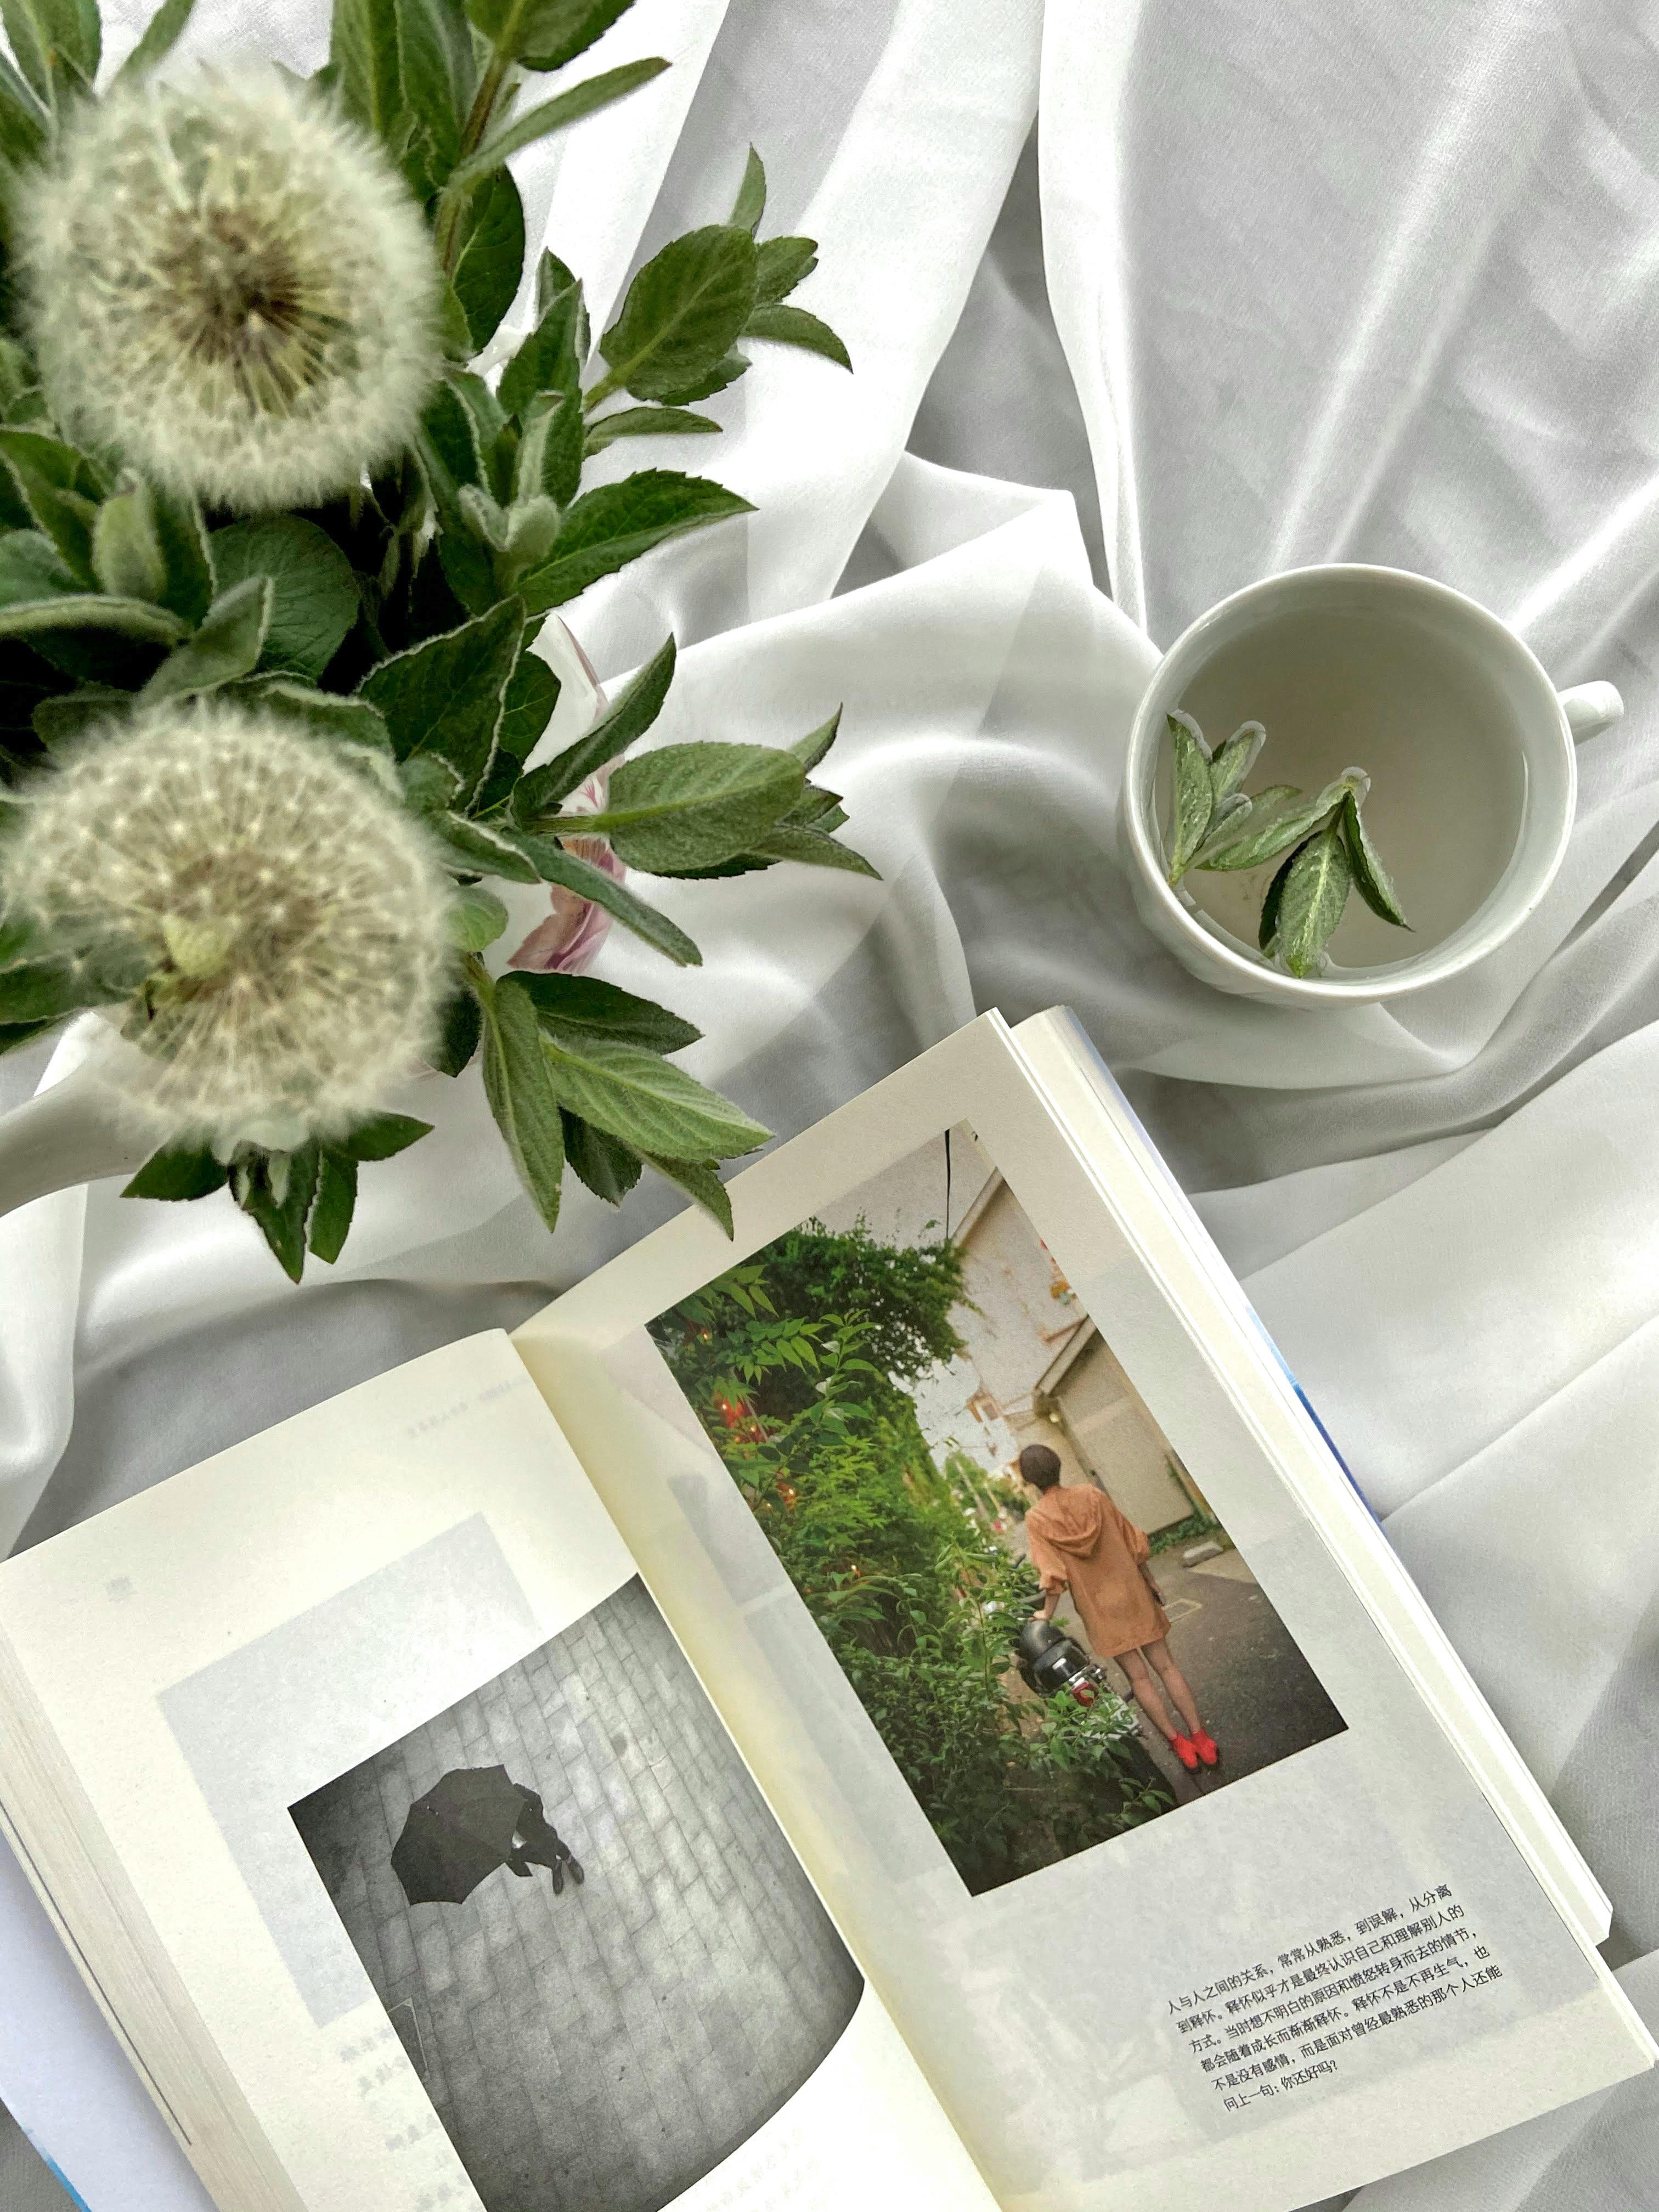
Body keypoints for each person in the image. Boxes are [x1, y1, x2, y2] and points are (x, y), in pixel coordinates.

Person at [1018, 1443, 1220, 1771]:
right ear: (1057, 1466)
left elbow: (1053, 1575)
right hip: (1133, 1592)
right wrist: (1149, 1579)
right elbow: (1133, 1543)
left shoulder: (1037, 1518)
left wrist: (1046, 1614)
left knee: (1139, 1678)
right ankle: (1202, 1739)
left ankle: (1179, 1744)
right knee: (1167, 1666)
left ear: (1030, 1480)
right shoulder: (1093, 1495)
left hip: (1099, 1608)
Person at [505, 1783, 585, 1893]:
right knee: (541, 1859)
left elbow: (536, 1800)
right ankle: (556, 1866)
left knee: (555, 1845)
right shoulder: (489, 1829)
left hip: (538, 1833)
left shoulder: (514, 1793)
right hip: (523, 1850)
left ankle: (569, 1859)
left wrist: (538, 1823)